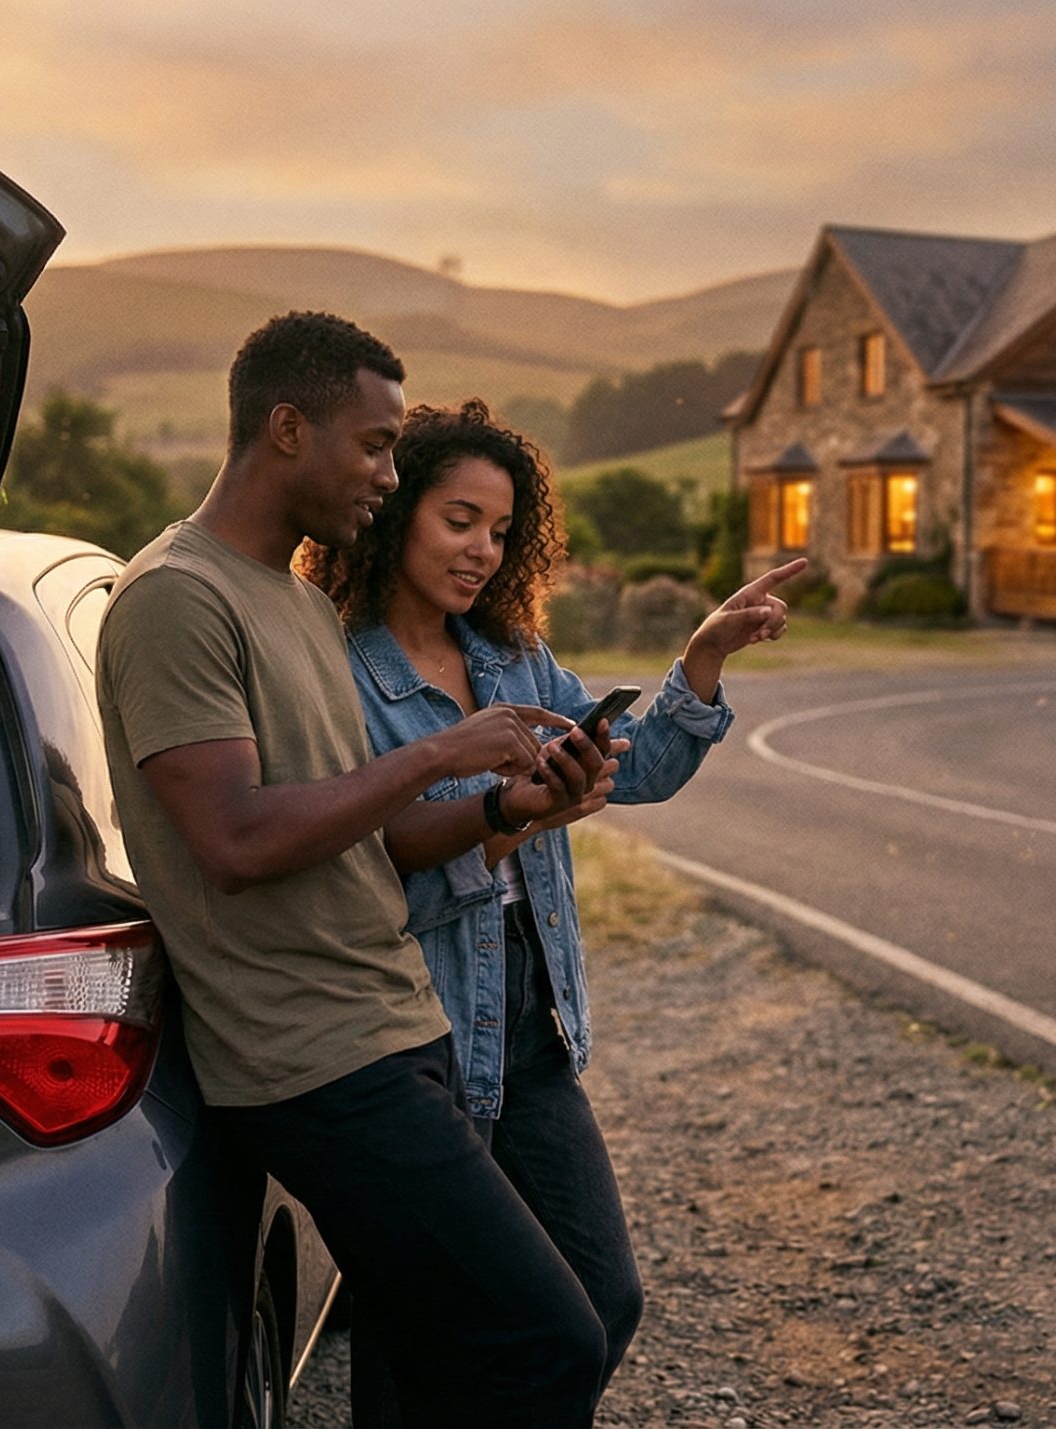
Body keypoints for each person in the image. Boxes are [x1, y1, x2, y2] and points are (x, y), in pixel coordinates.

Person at [95, 313, 622, 1428]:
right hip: (313, 1060)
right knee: (549, 1342)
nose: (389, 474)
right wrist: (437, 750)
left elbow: (368, 834)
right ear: (286, 428)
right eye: (374, 444)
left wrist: (497, 805)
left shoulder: (291, 602)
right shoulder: (174, 597)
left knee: (431, 1361)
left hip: (396, 1021)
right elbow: (234, 842)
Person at [298, 398, 803, 1396]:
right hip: (417, 1043)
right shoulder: (335, 671)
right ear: (396, 511)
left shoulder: (512, 658)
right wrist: (509, 815)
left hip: (533, 1038)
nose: (483, 549)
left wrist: (702, 654)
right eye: (459, 520)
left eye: (500, 530)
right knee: (420, 1325)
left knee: (600, 1298)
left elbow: (642, 765)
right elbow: (367, 862)